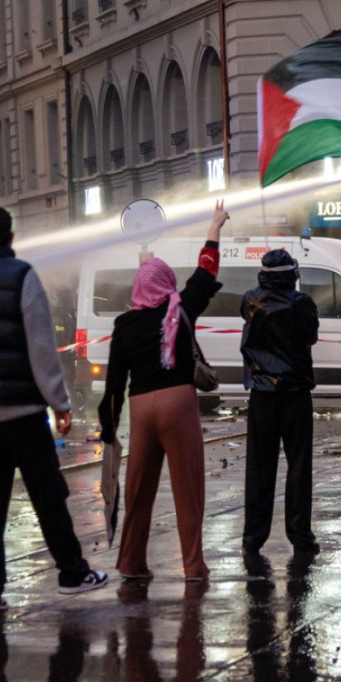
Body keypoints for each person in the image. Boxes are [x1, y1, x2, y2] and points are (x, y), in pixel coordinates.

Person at [0, 204, 107, 612]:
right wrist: (60, 403)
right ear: (11, 236)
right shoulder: (22, 276)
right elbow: (41, 347)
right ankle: (71, 572)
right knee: (48, 493)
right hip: (19, 409)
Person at [98, 202, 229, 582]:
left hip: (140, 408)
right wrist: (214, 225)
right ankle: (192, 566)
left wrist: (108, 427)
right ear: (167, 283)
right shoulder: (180, 307)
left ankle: (131, 563)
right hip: (177, 401)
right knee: (188, 488)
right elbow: (206, 270)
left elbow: (114, 383)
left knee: (139, 488)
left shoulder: (124, 323)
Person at [240, 248, 319, 563]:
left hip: (261, 393)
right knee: (299, 466)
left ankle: (252, 537)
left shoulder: (249, 300)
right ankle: (300, 535)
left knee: (259, 467)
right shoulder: (302, 303)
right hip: (296, 392)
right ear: (292, 273)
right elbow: (310, 337)